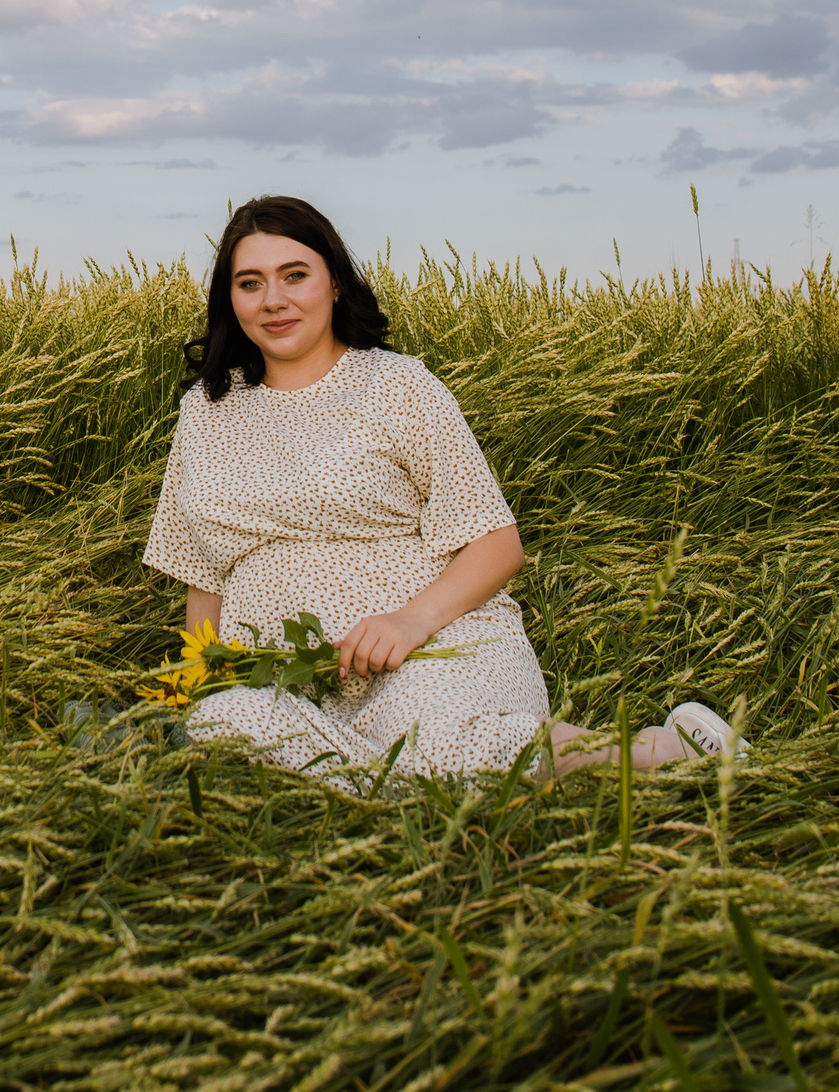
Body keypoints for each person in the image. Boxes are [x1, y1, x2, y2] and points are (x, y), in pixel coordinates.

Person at [141, 195, 745, 785]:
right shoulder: (206, 411)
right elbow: (204, 574)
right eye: (250, 283)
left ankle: (659, 749)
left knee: (439, 744)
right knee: (225, 722)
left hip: (432, 646)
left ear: (335, 284)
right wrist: (204, 677)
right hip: (287, 674)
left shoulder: (398, 385)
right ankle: (399, 782)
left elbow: (497, 544)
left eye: (294, 275)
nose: (274, 300)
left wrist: (409, 622)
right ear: (230, 299)